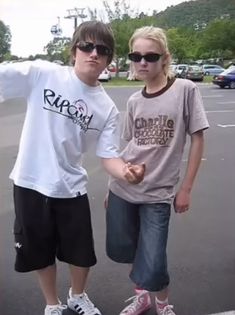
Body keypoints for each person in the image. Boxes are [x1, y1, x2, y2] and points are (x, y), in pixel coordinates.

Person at [0, 21, 145, 315]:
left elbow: (108, 156)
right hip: (30, 182)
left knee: (81, 253)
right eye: (87, 46)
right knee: (39, 251)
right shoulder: (43, 74)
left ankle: (78, 296)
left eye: (102, 50)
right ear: (73, 51)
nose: (94, 54)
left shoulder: (105, 107)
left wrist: (126, 172)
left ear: (108, 59)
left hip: (71, 187)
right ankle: (52, 304)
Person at [105, 26, 209, 315]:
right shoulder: (135, 100)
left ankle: (162, 303)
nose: (142, 62)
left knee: (154, 257)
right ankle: (141, 297)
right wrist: (111, 183)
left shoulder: (185, 89)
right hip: (122, 189)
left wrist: (186, 189)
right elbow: (129, 149)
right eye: (135, 55)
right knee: (128, 249)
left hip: (158, 194)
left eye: (150, 56)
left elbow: (198, 138)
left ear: (165, 58)